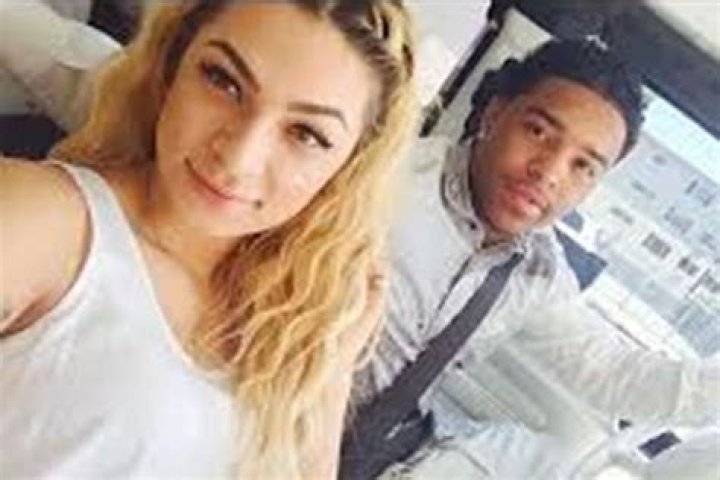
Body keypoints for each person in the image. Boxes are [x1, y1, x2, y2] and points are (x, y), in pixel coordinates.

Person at [0, 1, 418, 479]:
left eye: (305, 134)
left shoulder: (285, 327)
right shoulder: (46, 223)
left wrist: (330, 375)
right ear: (170, 68)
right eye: (223, 81)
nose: (239, 157)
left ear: (346, 169)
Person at [348, 39, 719, 478]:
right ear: (494, 116)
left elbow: (614, 373)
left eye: (583, 166)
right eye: (538, 132)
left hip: (376, 454)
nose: (549, 172)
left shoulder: (538, 273)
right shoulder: (382, 181)